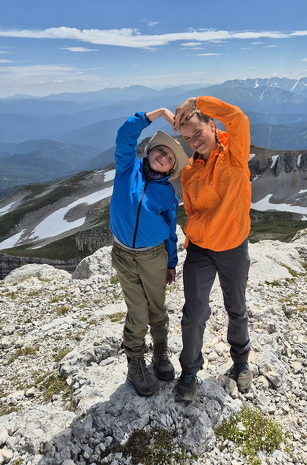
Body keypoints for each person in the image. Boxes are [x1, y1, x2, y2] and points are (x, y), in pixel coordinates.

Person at [172, 95, 253, 401]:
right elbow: (192, 210)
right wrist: (193, 235)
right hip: (201, 250)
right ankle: (190, 372)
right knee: (193, 312)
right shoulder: (189, 171)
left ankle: (241, 362)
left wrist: (197, 101)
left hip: (232, 245)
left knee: (236, 308)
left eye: (198, 133)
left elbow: (239, 118)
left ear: (212, 124)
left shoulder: (234, 153)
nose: (194, 141)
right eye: (188, 138)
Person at [110, 108, 189, 397]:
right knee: (138, 311)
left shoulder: (167, 193)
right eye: (161, 152)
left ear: (171, 170)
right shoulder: (127, 169)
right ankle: (135, 361)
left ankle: (160, 352)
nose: (164, 158)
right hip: (124, 256)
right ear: (149, 151)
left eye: (170, 159)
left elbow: (170, 230)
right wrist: (152, 115)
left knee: (157, 308)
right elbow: (124, 138)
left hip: (154, 256)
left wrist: (170, 262)